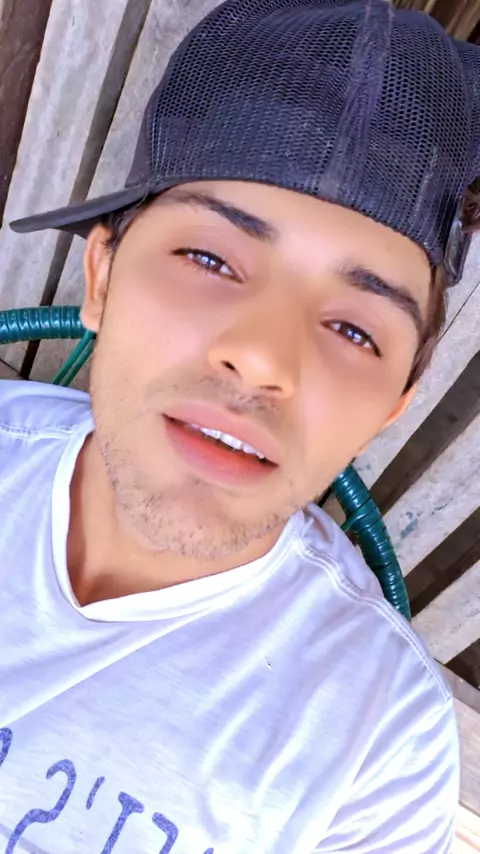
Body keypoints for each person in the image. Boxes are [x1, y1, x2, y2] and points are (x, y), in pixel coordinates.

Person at [1, 0, 475, 849]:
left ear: (389, 407)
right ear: (102, 277)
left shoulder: (379, 746)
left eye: (354, 331)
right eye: (211, 259)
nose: (261, 358)